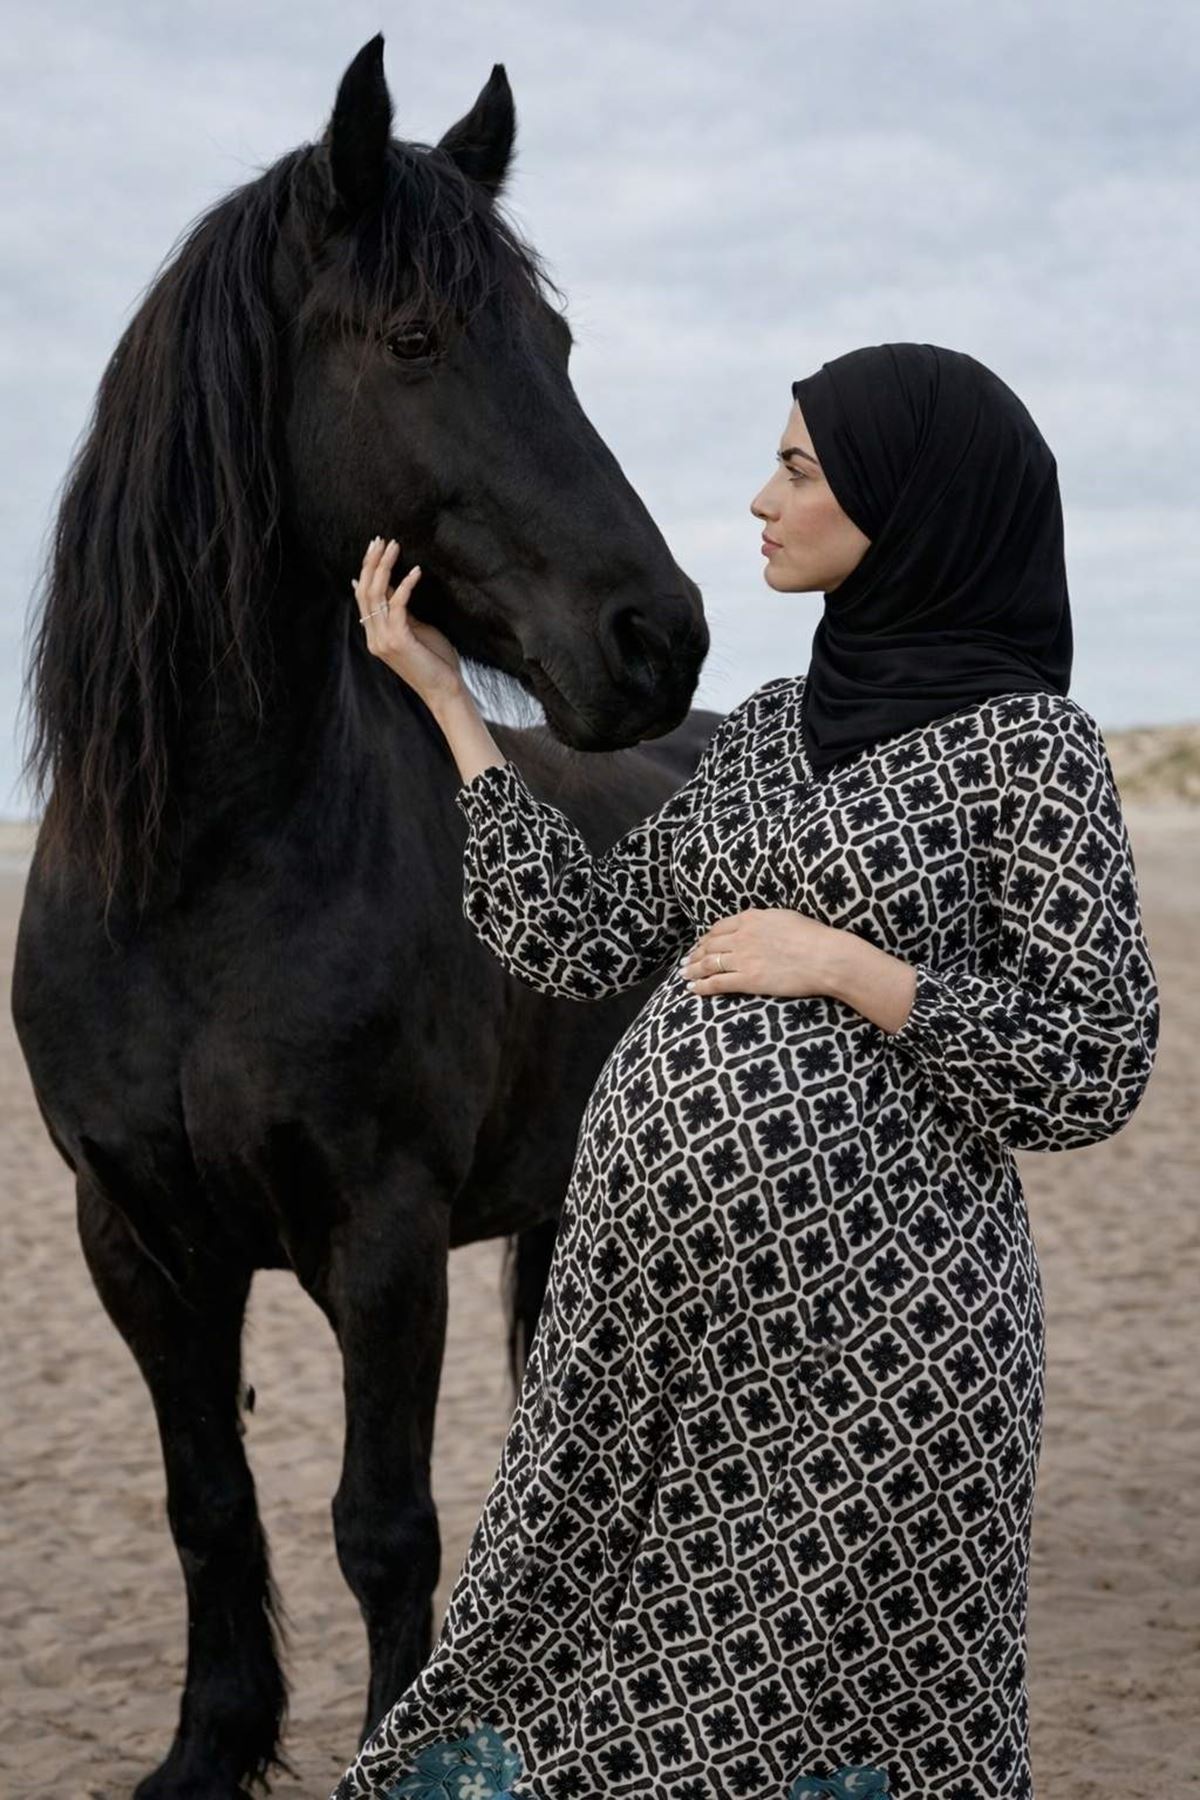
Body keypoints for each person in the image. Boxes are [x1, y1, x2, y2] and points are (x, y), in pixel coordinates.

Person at [331, 343, 1159, 1800]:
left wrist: (854, 970)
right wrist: (450, 703)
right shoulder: (772, 733)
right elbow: (581, 935)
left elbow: (1093, 1058)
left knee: (815, 1728)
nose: (761, 502)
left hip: (882, 1358)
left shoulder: (1033, 754)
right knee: (555, 1666)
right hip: (647, 1351)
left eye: (798, 469)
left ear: (911, 503)